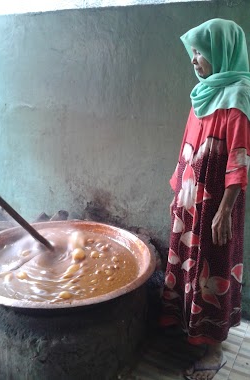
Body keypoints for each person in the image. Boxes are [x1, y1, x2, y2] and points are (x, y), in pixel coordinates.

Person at [160, 18, 250, 380]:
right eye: (193, 52)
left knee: (210, 270)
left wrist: (225, 210)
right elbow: (186, 150)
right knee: (186, 266)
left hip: (216, 208)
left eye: (200, 51)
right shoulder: (202, 94)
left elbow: (240, 158)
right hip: (190, 202)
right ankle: (186, 327)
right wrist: (176, 195)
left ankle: (210, 347)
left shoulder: (238, 98)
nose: (194, 59)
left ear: (222, 52)